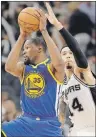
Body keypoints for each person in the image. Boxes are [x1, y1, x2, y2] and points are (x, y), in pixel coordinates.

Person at [2, 9, 64, 137]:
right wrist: (22, 37)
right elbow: (8, 67)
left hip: (48, 124)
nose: (23, 52)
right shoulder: (24, 68)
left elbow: (59, 63)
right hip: (25, 122)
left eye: (27, 48)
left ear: (39, 49)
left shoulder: (52, 68)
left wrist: (44, 31)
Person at [45, 2, 96, 136]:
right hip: (76, 131)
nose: (68, 56)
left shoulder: (84, 74)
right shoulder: (61, 85)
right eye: (64, 54)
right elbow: (61, 115)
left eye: (70, 54)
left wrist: (58, 25)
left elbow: (76, 48)